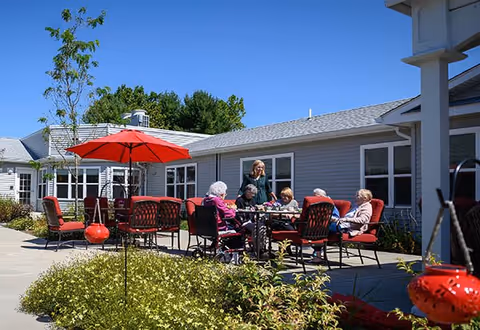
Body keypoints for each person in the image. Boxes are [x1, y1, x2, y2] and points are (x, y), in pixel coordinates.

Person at [311, 189, 373, 264]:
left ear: (365, 198)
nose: (355, 197)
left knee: (319, 227)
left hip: (348, 229)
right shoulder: (357, 206)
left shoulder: (367, 207)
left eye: (358, 195)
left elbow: (363, 220)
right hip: (342, 225)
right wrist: (335, 219)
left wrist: (346, 219)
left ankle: (317, 254)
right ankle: (318, 254)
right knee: (318, 226)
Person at [235, 184, 267, 255]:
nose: (253, 195)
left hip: (252, 221)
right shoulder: (240, 200)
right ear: (247, 192)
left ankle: (261, 248)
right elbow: (239, 213)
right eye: (252, 194)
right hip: (243, 222)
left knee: (262, 226)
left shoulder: (252, 200)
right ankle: (258, 250)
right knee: (258, 227)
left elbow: (253, 210)